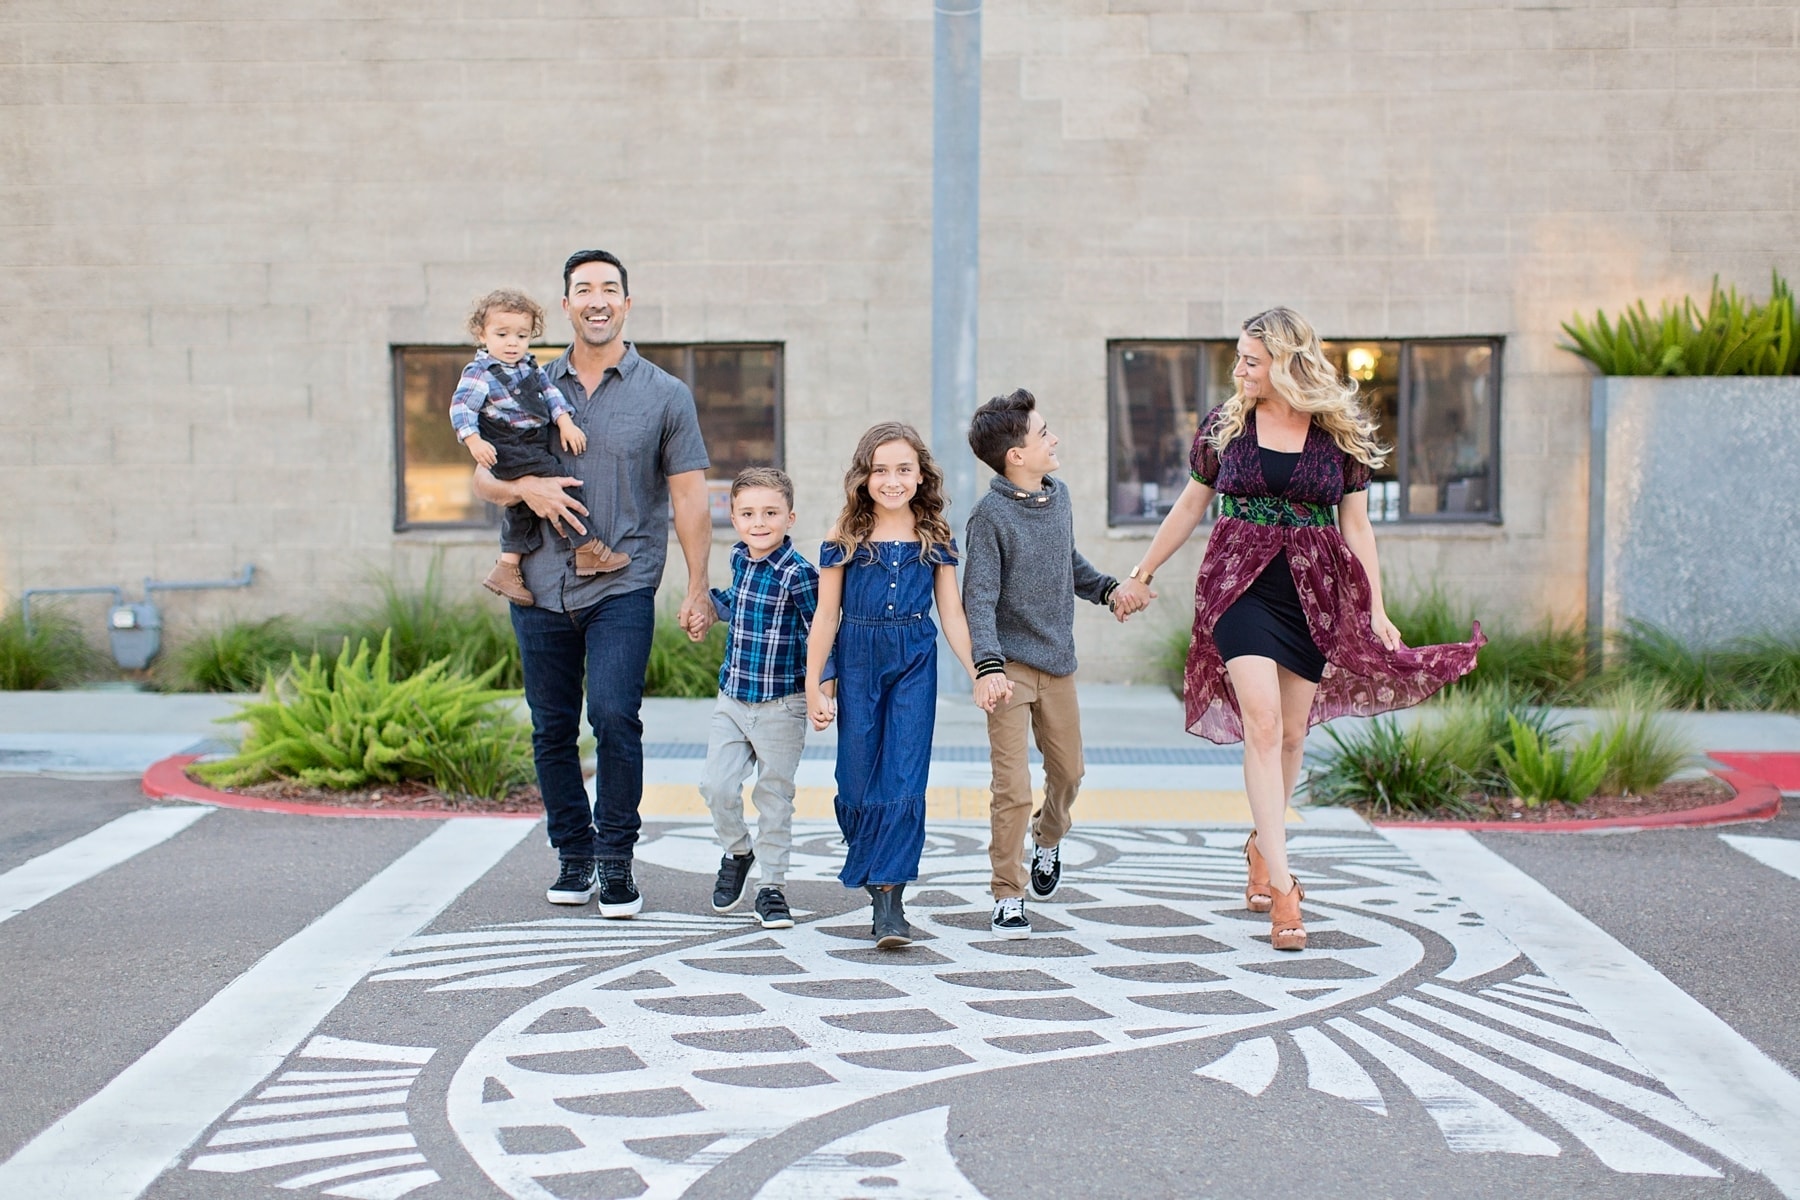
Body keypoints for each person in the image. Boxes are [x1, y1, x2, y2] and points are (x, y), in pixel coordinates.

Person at [1112, 307, 1482, 952]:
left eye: (1250, 360)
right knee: (1261, 722)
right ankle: (1284, 887)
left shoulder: (1338, 433)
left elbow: (1357, 527)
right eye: (1239, 358)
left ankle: (1262, 844)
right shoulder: (1227, 426)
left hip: (1314, 590)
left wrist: (1375, 608)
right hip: (1239, 584)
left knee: (1289, 735)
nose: (1239, 370)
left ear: (1286, 361)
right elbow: (1191, 504)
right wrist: (1141, 571)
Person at [472, 250, 715, 918]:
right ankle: (572, 854)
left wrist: (697, 587)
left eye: (610, 288)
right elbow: (482, 478)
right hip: (541, 585)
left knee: (613, 716)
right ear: (567, 305)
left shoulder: (665, 394)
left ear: (627, 305)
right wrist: (526, 487)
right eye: (585, 289)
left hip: (623, 584)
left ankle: (615, 859)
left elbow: (690, 500)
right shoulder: (520, 382)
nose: (598, 299)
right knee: (551, 728)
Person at [961, 388, 1148, 939]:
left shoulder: (1058, 496)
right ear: (1015, 455)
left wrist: (1110, 591)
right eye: (1043, 433)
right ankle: (1008, 894)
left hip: (1058, 664)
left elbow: (1069, 564)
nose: (1054, 438)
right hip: (1008, 670)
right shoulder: (988, 517)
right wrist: (989, 667)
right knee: (1011, 786)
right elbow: (978, 599)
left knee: (1069, 773)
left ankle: (1048, 837)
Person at [804, 422, 989, 949]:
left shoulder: (935, 539)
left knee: (904, 775)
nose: (892, 480)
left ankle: (890, 904)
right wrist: (817, 685)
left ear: (920, 475)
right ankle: (872, 862)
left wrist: (981, 671)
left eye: (903, 469)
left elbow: (951, 613)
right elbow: (824, 618)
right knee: (857, 778)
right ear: (863, 477)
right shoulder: (844, 540)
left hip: (913, 659)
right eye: (880, 469)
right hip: (857, 659)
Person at [700, 466, 835, 931]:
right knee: (715, 787)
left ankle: (771, 887)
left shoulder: (799, 574)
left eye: (771, 513)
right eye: (749, 514)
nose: (760, 522)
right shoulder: (740, 559)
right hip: (733, 700)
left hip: (783, 705)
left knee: (774, 798)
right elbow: (736, 602)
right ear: (735, 520)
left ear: (790, 518)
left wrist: (824, 690)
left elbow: (823, 632)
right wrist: (706, 609)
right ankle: (739, 851)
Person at [450, 288, 629, 606]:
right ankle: (586, 546)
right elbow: (461, 408)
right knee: (557, 481)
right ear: (482, 334)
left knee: (523, 507)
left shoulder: (530, 367)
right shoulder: (480, 373)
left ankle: (508, 566)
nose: (511, 343)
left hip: (530, 440)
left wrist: (565, 423)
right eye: (501, 334)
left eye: (521, 335)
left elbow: (551, 397)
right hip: (505, 442)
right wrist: (473, 440)